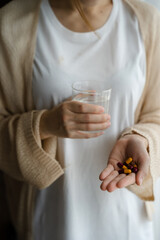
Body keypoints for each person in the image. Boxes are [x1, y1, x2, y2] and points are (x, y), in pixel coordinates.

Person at [0, 0, 160, 239]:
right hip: (52, 221)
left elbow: (156, 114)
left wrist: (141, 139)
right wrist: (44, 124)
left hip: (127, 222)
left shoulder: (147, 20)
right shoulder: (11, 22)